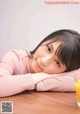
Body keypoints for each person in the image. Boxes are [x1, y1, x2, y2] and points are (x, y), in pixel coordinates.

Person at [0, 29, 80, 97]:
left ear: (65, 71)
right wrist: (40, 76)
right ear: (44, 41)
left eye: (57, 63)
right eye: (49, 49)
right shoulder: (15, 57)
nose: (44, 61)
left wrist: (40, 83)